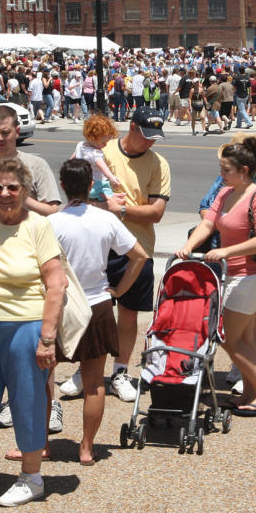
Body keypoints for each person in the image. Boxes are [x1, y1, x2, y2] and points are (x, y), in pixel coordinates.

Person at [0, 158, 66, 507]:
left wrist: (47, 338)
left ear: (25, 191)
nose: (4, 194)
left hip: (28, 325)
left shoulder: (38, 227)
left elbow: (56, 285)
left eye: (12, 187)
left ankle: (32, 478)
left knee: (27, 401)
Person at [50, 159, 147, 464]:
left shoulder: (51, 223)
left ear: (63, 185)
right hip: (97, 304)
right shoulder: (105, 220)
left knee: (44, 380)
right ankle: (87, 447)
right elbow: (139, 256)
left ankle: (41, 444)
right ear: (91, 185)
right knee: (94, 383)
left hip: (60, 306)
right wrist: (119, 290)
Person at [176, 139, 256, 414]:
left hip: (250, 277)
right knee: (241, 339)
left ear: (243, 171)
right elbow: (208, 222)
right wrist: (188, 246)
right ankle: (248, 394)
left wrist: (226, 250)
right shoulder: (226, 192)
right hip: (231, 274)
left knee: (228, 339)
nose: (221, 176)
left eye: (226, 171)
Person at [100, 106, 170, 401]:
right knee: (96, 313)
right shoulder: (103, 152)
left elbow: (156, 212)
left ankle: (119, 371)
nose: (150, 142)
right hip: (100, 246)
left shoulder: (158, 164)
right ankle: (87, 369)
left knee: (128, 315)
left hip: (138, 248)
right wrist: (106, 206)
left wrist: (123, 209)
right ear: (131, 127)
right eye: (146, 136)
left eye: (155, 137)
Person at [0, 105, 61, 226]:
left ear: (17, 131)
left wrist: (22, 198)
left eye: (5, 132)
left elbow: (53, 213)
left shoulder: (37, 165)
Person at [72, 115, 122, 201]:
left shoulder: (80, 145)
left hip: (82, 182)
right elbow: (102, 166)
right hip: (96, 183)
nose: (105, 145)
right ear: (93, 138)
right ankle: (112, 198)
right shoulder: (95, 153)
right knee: (106, 194)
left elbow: (72, 159)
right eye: (103, 142)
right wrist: (111, 177)